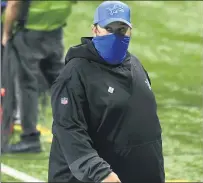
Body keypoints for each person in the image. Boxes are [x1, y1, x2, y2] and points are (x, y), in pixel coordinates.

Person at [48, 1, 165, 183]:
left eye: (122, 30)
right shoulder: (74, 74)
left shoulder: (134, 64)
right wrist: (100, 173)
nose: (116, 35)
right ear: (95, 30)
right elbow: (69, 131)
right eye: (109, 29)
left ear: (130, 31)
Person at [1, 1, 76, 153]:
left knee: (27, 84)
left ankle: (30, 138)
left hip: (29, 30)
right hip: (55, 26)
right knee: (60, 83)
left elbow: (14, 3)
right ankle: (82, 130)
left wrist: (6, 32)